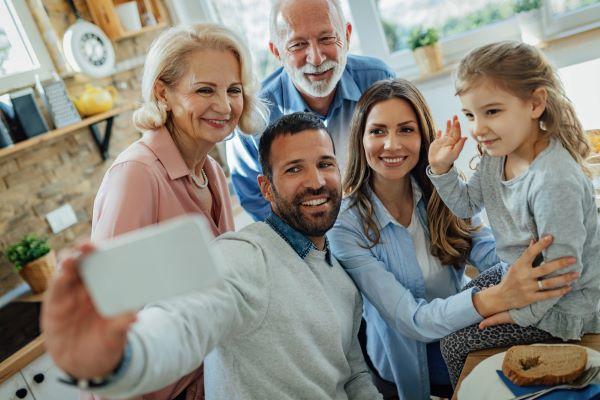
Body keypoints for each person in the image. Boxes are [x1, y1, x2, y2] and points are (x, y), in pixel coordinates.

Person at [41, 112, 384, 400]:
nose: (315, 181)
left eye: (325, 164)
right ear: (266, 188)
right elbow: (187, 320)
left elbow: (352, 373)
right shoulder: (246, 257)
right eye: (294, 169)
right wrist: (118, 357)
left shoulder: (341, 278)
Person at [327, 78, 579, 400]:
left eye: (406, 130)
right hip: (414, 352)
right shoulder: (345, 226)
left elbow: (488, 249)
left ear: (423, 137)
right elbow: (412, 320)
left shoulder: (439, 187)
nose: (391, 145)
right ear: (360, 138)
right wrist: (498, 297)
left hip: (462, 319)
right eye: (378, 131)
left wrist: (536, 259)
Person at [88, 23, 267, 400]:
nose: (224, 105)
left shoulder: (212, 171)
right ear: (162, 93)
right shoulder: (137, 175)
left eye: (233, 90)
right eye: (204, 90)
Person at [427, 41, 600, 386]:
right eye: (470, 115)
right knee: (455, 314)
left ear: (535, 103)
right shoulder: (496, 155)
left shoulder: (553, 181)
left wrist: (514, 314)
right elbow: (465, 205)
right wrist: (441, 169)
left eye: (492, 112)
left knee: (454, 343)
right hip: (519, 277)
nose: (477, 128)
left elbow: (561, 276)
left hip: (566, 305)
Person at [226, 0, 395, 221]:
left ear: (346, 36)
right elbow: (257, 200)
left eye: (326, 39)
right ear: (276, 51)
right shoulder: (255, 114)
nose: (316, 58)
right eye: (297, 45)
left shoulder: (378, 80)